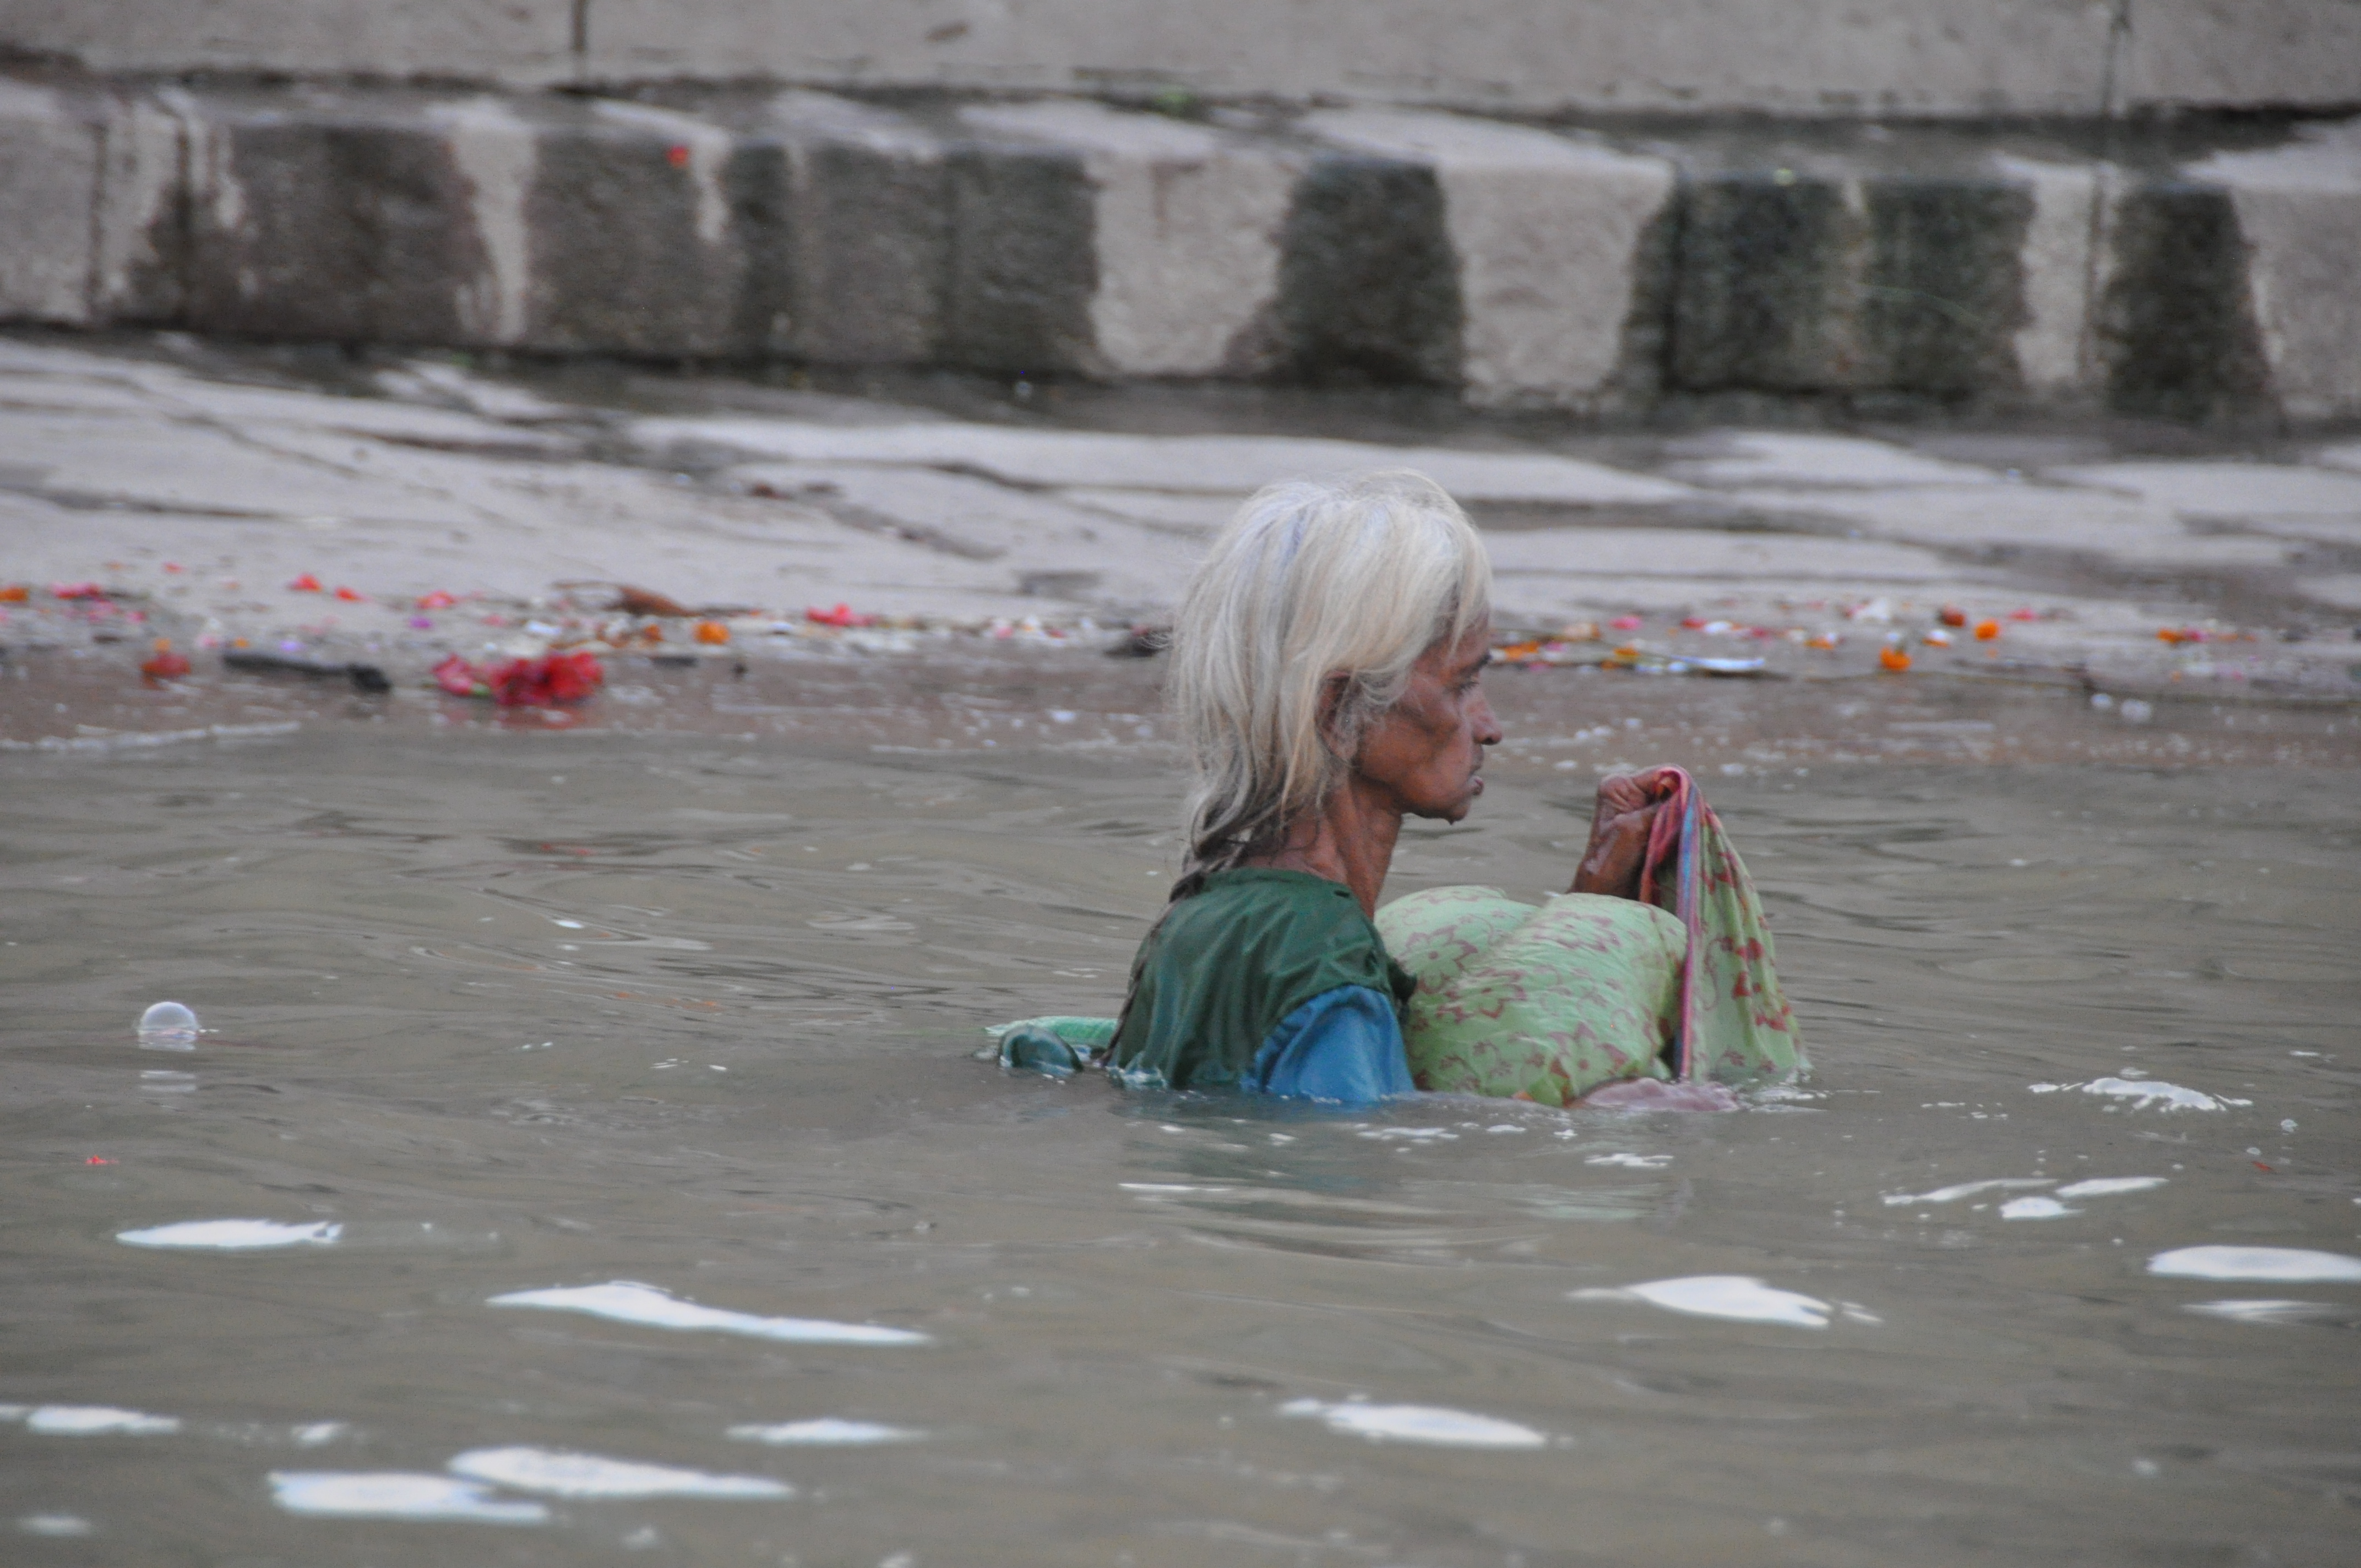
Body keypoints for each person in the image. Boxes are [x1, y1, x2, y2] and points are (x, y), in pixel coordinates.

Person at [1008, 470, 1800, 1106]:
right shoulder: (1319, 962)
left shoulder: (1210, 914)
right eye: (1461, 686)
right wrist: (1588, 1119)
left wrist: (1601, 892)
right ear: (1340, 710)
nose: (1490, 727)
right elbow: (1351, 1166)